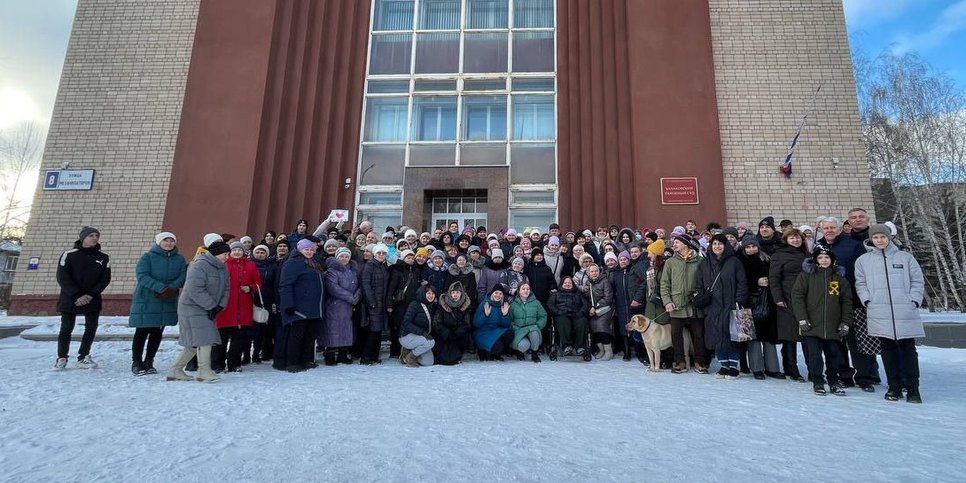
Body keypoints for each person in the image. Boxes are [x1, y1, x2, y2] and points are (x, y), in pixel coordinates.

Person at [855, 224, 925, 403]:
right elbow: (860, 283)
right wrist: (867, 300)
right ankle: (894, 386)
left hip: (904, 310)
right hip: (879, 311)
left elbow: (917, 280)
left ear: (889, 237)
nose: (879, 240)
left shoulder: (905, 257)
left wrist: (914, 299)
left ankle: (913, 388)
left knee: (908, 350)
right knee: (887, 350)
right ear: (871, 239)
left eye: (882, 237)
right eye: (876, 237)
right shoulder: (864, 260)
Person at [815, 216, 877, 391]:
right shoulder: (819, 247)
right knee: (837, 341)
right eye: (826, 228)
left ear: (840, 229)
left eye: (832, 227)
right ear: (821, 230)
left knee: (857, 340)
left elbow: (864, 270)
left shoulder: (852, 245)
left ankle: (864, 376)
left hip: (854, 299)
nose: (829, 230)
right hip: (831, 301)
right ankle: (844, 374)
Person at [792, 246, 853, 396]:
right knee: (815, 356)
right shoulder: (806, 276)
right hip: (812, 325)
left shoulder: (838, 279)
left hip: (833, 326)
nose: (824, 260)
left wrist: (845, 322)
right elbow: (797, 297)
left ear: (832, 260)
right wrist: (802, 319)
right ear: (815, 260)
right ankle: (818, 380)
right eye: (820, 258)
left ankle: (833, 381)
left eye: (827, 257)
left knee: (833, 356)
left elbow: (846, 302)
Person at [167, 239, 230, 383]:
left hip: (208, 307)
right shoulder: (199, 265)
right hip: (192, 308)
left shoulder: (222, 267)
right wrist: (211, 306)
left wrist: (220, 305)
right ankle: (204, 371)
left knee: (193, 343)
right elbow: (195, 289)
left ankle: (175, 370)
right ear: (216, 253)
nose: (227, 257)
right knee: (205, 339)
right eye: (225, 254)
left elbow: (226, 288)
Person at [128, 232, 186, 376]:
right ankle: (136, 362)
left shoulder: (179, 259)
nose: (169, 243)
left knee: (157, 332)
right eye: (165, 240)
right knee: (141, 331)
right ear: (159, 242)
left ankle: (149, 361)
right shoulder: (147, 257)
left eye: (171, 241)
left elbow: (182, 276)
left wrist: (171, 288)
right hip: (148, 298)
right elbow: (142, 275)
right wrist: (160, 288)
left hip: (166, 299)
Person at [55, 226, 112, 370]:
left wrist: (90, 295)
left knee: (91, 328)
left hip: (92, 298)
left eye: (96, 236)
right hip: (70, 298)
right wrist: (77, 294)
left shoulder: (103, 257)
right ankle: (62, 357)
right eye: (91, 235)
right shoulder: (69, 254)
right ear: (83, 237)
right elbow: (62, 277)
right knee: (67, 327)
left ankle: (83, 356)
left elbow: (105, 279)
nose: (94, 238)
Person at [698, 234, 748, 379]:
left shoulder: (734, 262)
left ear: (725, 246)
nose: (717, 247)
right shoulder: (705, 263)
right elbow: (699, 283)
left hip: (731, 305)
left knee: (732, 336)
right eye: (714, 244)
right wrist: (701, 297)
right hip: (712, 306)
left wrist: (739, 300)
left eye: (720, 244)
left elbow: (742, 283)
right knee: (716, 336)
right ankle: (723, 365)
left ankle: (733, 366)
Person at [660, 235, 708, 374]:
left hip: (694, 303)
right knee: (676, 334)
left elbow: (705, 281)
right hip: (676, 304)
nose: (673, 244)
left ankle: (699, 361)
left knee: (698, 333)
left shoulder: (699, 260)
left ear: (686, 244)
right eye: (673, 242)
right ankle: (680, 361)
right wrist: (667, 301)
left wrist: (699, 295)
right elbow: (664, 284)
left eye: (677, 242)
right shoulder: (670, 262)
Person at [212, 241, 262, 373]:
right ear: (230, 252)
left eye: (239, 250)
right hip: (225, 307)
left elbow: (257, 283)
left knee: (238, 339)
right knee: (220, 339)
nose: (237, 252)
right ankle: (217, 364)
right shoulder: (222, 265)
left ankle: (234, 363)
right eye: (234, 250)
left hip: (243, 307)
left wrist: (250, 288)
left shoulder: (251, 265)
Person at [279, 239, 326, 372]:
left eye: (311, 249)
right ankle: (292, 362)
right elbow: (285, 285)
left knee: (309, 336)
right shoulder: (293, 263)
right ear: (300, 250)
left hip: (314, 307)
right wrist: (288, 304)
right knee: (297, 337)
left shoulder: (314, 263)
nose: (309, 251)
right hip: (299, 307)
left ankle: (305, 360)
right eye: (306, 249)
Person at [737, 239, 780, 379]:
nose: (751, 249)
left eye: (753, 246)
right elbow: (739, 282)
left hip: (767, 302)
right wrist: (755, 283)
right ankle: (757, 368)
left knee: (769, 337)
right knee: (752, 338)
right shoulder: (740, 261)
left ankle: (773, 368)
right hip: (748, 303)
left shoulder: (766, 259)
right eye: (748, 247)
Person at [769, 228, 808, 382]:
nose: (795, 240)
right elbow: (774, 278)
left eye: (798, 237)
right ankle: (792, 369)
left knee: (807, 335)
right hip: (786, 299)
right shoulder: (779, 255)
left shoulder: (806, 254)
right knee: (789, 336)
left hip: (806, 299)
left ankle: (812, 368)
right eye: (792, 238)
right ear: (786, 240)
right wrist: (778, 297)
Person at [323, 247, 359, 365]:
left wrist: (357, 296)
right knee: (333, 330)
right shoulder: (332, 271)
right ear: (337, 257)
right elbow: (333, 287)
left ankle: (343, 354)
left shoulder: (353, 270)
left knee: (346, 330)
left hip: (349, 306)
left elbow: (360, 285)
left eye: (346, 256)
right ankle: (330, 355)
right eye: (342, 256)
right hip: (335, 304)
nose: (344, 259)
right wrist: (350, 297)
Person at [360, 243, 390, 365]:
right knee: (373, 331)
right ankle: (366, 357)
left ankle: (374, 356)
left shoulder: (383, 267)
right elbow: (365, 285)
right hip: (373, 304)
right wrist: (371, 301)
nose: (381, 255)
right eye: (379, 253)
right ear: (375, 254)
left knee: (378, 331)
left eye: (383, 253)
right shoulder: (369, 266)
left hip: (381, 304)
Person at [387, 249, 420, 358]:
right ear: (403, 258)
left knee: (408, 326)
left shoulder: (415, 270)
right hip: (400, 304)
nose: (410, 260)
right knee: (397, 327)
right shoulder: (397, 270)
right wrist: (389, 305)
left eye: (412, 258)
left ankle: (405, 350)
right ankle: (395, 351)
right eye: (408, 257)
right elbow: (391, 288)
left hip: (411, 304)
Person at [547, 276, 590, 357]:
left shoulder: (578, 294)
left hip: (576, 314)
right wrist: (558, 312)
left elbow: (586, 304)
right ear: (562, 284)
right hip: (562, 315)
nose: (567, 284)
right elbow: (550, 305)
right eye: (565, 283)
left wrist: (581, 312)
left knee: (583, 321)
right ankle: (566, 346)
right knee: (563, 321)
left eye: (569, 283)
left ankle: (580, 347)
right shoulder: (556, 294)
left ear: (573, 284)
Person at [433, 281, 473, 365]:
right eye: (453, 292)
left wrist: (457, 333)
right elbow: (437, 322)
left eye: (457, 292)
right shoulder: (443, 303)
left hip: (458, 333)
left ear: (461, 293)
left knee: (463, 338)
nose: (455, 295)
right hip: (444, 333)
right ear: (449, 293)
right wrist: (447, 333)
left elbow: (466, 323)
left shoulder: (465, 304)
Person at [250, 245, 278, 363]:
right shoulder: (249, 264)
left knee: (262, 328)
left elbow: (274, 283)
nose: (260, 254)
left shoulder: (271, 267)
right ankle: (246, 354)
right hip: (250, 297)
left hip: (265, 299)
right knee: (249, 328)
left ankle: (257, 353)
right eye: (258, 252)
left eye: (262, 252)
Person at [473, 284, 514, 361]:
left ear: (502, 295)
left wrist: (504, 315)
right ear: (492, 293)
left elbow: (506, 325)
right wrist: (485, 315)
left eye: (500, 293)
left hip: (496, 331)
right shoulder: (485, 304)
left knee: (510, 334)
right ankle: (483, 351)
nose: (498, 295)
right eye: (496, 293)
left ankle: (494, 353)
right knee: (498, 346)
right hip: (483, 333)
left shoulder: (503, 305)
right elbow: (476, 323)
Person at [399, 286, 437, 367]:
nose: (431, 296)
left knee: (428, 363)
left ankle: (407, 353)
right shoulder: (415, 304)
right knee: (431, 342)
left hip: (420, 338)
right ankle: (410, 357)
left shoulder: (431, 306)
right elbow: (406, 323)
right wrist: (422, 332)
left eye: (433, 293)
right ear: (423, 294)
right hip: (407, 336)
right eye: (428, 293)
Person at [510, 283, 548, 363]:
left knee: (534, 333)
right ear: (519, 291)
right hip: (519, 330)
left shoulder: (536, 303)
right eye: (523, 289)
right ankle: (520, 352)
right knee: (523, 345)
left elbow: (543, 316)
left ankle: (534, 353)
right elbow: (510, 319)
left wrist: (538, 325)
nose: (526, 291)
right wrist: (514, 327)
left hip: (532, 328)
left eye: (527, 289)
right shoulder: (513, 304)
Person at [586, 263, 615, 360]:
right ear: (588, 273)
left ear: (599, 271)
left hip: (605, 309)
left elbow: (608, 297)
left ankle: (608, 351)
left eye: (596, 271)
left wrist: (595, 306)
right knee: (594, 329)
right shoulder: (588, 283)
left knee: (602, 328)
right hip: (593, 311)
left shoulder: (605, 281)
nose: (594, 273)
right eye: (592, 271)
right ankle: (601, 349)